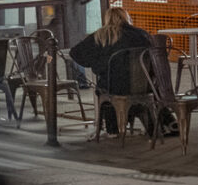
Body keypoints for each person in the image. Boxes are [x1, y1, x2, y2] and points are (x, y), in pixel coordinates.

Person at [68, 7, 171, 135]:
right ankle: (162, 125)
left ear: (107, 19)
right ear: (127, 18)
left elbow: (75, 53)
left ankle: (113, 129)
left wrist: (96, 62)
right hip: (143, 86)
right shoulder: (142, 34)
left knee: (104, 89)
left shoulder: (101, 35)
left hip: (115, 87)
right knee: (146, 92)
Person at [39, 0, 90, 84]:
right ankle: (45, 77)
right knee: (53, 49)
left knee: (74, 48)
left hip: (71, 17)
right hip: (57, 19)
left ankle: (79, 80)